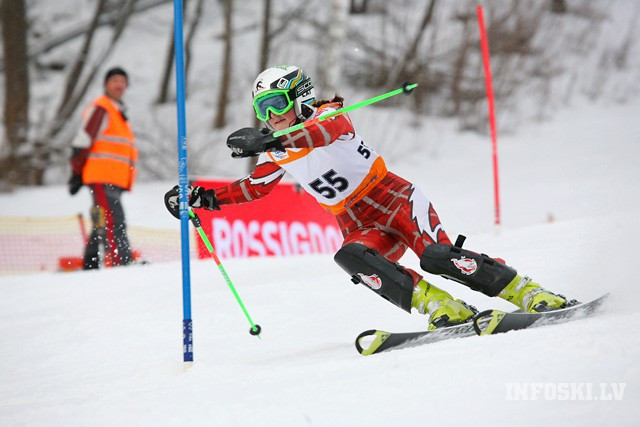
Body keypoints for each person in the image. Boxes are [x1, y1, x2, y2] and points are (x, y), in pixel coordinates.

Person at [164, 65, 574, 330]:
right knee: (351, 257)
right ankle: (440, 307)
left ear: (296, 97)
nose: (270, 116)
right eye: (262, 109)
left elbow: (320, 134)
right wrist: (201, 198)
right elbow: (253, 188)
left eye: (275, 104)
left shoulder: (328, 113)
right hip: (356, 221)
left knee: (436, 257)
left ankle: (528, 292)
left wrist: (273, 138)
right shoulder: (276, 148)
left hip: (395, 200)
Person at [68, 67, 137, 270]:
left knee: (102, 220)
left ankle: (90, 264)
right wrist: (76, 172)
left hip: (112, 178)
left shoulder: (118, 111)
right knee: (114, 220)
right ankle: (121, 263)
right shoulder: (102, 108)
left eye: (123, 81)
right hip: (101, 176)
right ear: (106, 84)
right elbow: (82, 140)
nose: (119, 84)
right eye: (115, 80)